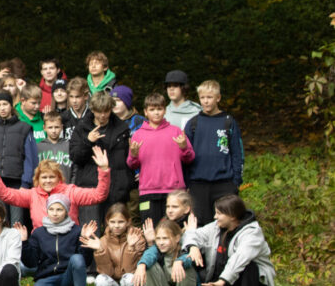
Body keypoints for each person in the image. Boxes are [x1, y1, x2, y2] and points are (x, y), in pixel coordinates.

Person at [183, 194, 276, 286]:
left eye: (219, 213)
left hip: (255, 282)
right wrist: (193, 247)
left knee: (249, 265)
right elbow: (193, 234)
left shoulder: (252, 233)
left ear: (232, 216)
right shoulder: (216, 227)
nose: (215, 217)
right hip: (227, 281)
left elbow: (240, 258)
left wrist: (222, 281)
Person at [0, 147, 109, 229]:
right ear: (38, 179)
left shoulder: (70, 192)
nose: (48, 181)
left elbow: (99, 195)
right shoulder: (32, 194)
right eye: (44, 177)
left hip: (67, 242)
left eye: (52, 177)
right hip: (41, 244)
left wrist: (103, 169)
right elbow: (5, 195)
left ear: (59, 178)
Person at [21, 194, 95, 286]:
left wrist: (85, 241)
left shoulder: (77, 231)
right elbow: (31, 263)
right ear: (47, 210)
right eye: (51, 209)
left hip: (68, 279)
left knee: (76, 258)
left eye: (59, 209)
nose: (55, 213)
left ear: (66, 211)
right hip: (47, 278)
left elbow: (84, 262)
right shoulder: (38, 233)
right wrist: (24, 243)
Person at [69, 91, 132, 232]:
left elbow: (127, 160)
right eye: (99, 111)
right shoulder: (82, 128)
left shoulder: (122, 128)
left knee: (115, 233)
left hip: (116, 189)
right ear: (92, 110)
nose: (102, 115)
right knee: (91, 233)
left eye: (106, 111)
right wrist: (88, 141)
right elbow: (75, 157)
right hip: (90, 188)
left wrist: (128, 181)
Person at [183, 80, 244, 226]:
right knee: (200, 225)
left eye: (209, 97)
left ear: (218, 98)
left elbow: (237, 153)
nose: (206, 101)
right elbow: (185, 155)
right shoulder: (193, 123)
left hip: (224, 183)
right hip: (198, 184)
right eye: (202, 97)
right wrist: (187, 182)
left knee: (225, 223)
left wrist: (236, 181)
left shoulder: (228, 122)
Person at [127, 93, 194, 224]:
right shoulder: (138, 135)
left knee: (174, 229)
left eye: (159, 109)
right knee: (150, 229)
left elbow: (190, 158)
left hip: (173, 190)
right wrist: (133, 155)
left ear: (165, 110)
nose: (156, 113)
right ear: (145, 112)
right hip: (148, 191)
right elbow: (131, 164)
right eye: (152, 109)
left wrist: (184, 148)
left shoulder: (176, 131)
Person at [0, 90, 37, 227]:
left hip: (17, 184)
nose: (2, 108)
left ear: (11, 106)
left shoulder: (24, 128)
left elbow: (31, 159)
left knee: (17, 223)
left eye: (5, 104)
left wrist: (25, 184)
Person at [85, 203, 148, 286]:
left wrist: (131, 247)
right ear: (107, 221)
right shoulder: (103, 241)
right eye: (113, 222)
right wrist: (100, 251)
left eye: (121, 222)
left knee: (128, 279)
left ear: (128, 221)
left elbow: (130, 271)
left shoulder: (137, 238)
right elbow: (107, 273)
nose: (116, 226)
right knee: (100, 280)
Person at [133, 218, 197, 286]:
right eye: (158, 239)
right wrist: (141, 265)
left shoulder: (185, 248)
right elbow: (149, 254)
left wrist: (179, 262)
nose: (161, 242)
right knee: (148, 266)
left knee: (186, 268)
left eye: (165, 238)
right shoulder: (157, 250)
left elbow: (190, 258)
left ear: (177, 238)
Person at [35, 111, 72, 182]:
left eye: (56, 127)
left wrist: (71, 185)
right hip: (45, 185)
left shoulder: (69, 145)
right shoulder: (38, 147)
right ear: (44, 128)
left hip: (65, 186)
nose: (54, 131)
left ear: (62, 127)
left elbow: (75, 169)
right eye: (50, 127)